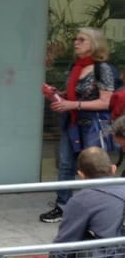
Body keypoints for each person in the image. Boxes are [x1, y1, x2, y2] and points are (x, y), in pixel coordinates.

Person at [41, 27, 118, 223]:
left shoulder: (103, 69)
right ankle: (62, 207)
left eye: (82, 40)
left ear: (94, 44)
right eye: (76, 39)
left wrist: (72, 104)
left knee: (95, 167)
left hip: (92, 125)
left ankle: (99, 208)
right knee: (66, 165)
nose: (76, 42)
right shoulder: (76, 67)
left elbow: (106, 102)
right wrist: (59, 96)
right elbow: (76, 95)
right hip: (73, 122)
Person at [44, 146, 125, 258]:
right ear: (114, 169)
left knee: (77, 238)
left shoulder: (83, 200)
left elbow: (64, 244)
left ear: (81, 175)